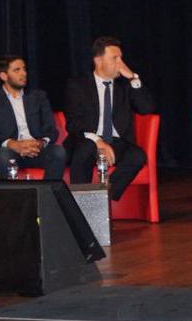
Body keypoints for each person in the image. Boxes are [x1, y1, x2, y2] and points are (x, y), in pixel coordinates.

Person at [64, 36, 156, 200]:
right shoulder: (78, 85)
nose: (120, 63)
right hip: (87, 139)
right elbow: (73, 123)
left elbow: (146, 108)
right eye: (114, 58)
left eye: (121, 58)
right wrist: (98, 141)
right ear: (98, 61)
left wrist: (134, 79)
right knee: (84, 150)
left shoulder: (124, 86)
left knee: (137, 156)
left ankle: (102, 198)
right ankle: (80, 203)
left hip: (116, 142)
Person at [0, 54, 66, 179]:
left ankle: (48, 196)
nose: (23, 73)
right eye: (17, 70)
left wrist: (40, 143)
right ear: (3, 76)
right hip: (9, 151)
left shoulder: (38, 97)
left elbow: (51, 129)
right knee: (2, 156)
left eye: (24, 69)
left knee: (58, 152)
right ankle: (14, 198)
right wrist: (14, 145)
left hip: (36, 149)